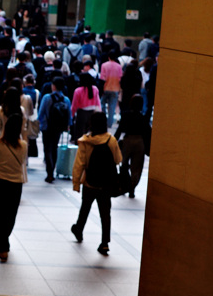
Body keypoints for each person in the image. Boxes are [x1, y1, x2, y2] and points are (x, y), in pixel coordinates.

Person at [70, 111, 123, 255]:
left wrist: (76, 183)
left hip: (90, 183)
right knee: (105, 213)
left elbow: (79, 164)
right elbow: (118, 159)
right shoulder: (111, 140)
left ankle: (79, 229)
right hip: (106, 184)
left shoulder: (85, 141)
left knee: (85, 208)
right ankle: (105, 242)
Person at [0, 113, 28, 262]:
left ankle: (3, 245)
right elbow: (23, 161)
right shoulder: (23, 146)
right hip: (15, 185)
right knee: (10, 215)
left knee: (0, 215)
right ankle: (3, 244)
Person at [114, 94, 151, 199]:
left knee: (124, 163)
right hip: (139, 142)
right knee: (137, 167)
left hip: (128, 140)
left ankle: (123, 185)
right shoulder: (143, 118)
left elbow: (120, 129)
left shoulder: (126, 115)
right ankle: (132, 188)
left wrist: (113, 141)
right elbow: (148, 132)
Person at [38, 79, 71, 183]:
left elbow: (41, 113)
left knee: (47, 149)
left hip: (47, 127)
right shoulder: (66, 99)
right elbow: (69, 115)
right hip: (58, 128)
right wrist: (67, 126)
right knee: (54, 148)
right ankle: (53, 170)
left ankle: (50, 173)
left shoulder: (47, 98)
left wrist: (40, 125)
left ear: (54, 86)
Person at [70, 72, 103, 139]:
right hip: (93, 113)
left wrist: (71, 116)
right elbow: (98, 102)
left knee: (80, 134)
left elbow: (74, 105)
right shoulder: (95, 89)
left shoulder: (78, 91)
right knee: (91, 133)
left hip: (82, 113)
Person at [99, 51, 123, 128]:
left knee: (102, 104)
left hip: (106, 87)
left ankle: (102, 120)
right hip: (115, 88)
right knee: (112, 107)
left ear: (108, 57)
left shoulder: (104, 65)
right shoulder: (119, 66)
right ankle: (109, 123)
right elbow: (120, 78)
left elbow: (102, 78)